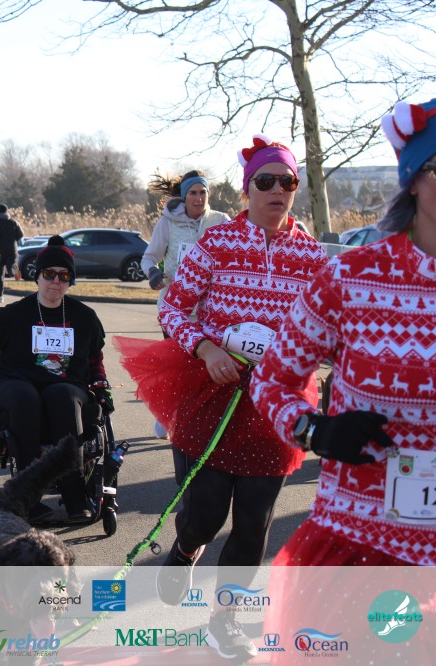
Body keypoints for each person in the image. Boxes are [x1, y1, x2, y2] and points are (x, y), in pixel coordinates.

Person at [115, 135, 328, 662]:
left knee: (254, 522)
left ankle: (224, 619)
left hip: (275, 402)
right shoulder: (217, 243)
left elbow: (328, 331)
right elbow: (172, 309)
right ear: (247, 188)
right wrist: (207, 347)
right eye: (266, 180)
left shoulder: (311, 256)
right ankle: (187, 548)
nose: (277, 190)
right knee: (205, 514)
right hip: (211, 390)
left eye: (287, 181)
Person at [249, 98, 436, 665]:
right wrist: (316, 431)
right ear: (414, 182)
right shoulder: (351, 277)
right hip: (364, 540)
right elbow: (271, 380)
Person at [0, 236, 114, 523]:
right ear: (38, 276)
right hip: (14, 381)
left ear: (71, 281)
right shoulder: (14, 314)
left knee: (63, 397)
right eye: (49, 274)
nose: (56, 281)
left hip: (67, 384)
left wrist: (102, 386)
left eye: (64, 276)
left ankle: (75, 494)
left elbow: (94, 359)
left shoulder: (84, 318)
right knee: (25, 397)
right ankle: (27, 496)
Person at [142, 170, 231, 438]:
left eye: (203, 192)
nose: (199, 198)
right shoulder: (167, 223)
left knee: (203, 369)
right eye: (193, 193)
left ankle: (197, 420)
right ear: (184, 196)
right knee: (178, 368)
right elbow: (149, 257)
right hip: (175, 310)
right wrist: (154, 274)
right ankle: (166, 414)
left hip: (210, 310)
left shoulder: (220, 221)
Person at [0, 204, 25, 303]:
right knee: (10, 267)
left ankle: (0, 296)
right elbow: (21, 235)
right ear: (7, 212)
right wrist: (15, 241)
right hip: (12, 250)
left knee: (0, 275)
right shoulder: (14, 222)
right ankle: (13, 270)